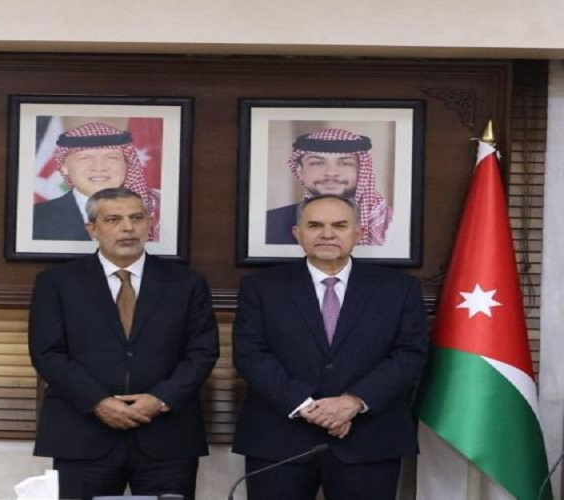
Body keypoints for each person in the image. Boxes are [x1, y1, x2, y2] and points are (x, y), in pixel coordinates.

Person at [234, 194, 428, 500]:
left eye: (339, 225)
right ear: (297, 233)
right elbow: (250, 354)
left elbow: (409, 355)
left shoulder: (398, 288)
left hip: (369, 441)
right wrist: (307, 407)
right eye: (315, 225)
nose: (327, 234)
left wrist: (353, 402)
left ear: (358, 232)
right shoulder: (261, 287)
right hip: (279, 441)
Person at [29, 187, 218, 500]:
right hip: (83, 435)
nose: (128, 228)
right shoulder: (57, 282)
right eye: (114, 219)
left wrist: (160, 399)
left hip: (167, 436)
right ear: (92, 229)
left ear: (149, 224)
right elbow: (48, 354)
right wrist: (98, 402)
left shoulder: (186, 282)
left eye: (136, 218)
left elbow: (203, 352)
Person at [32, 121, 160, 241]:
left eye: (112, 157)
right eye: (84, 158)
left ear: (127, 164)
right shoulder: (35, 218)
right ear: (64, 167)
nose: (99, 167)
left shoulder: (157, 211)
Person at [266, 128, 393, 246]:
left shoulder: (393, 222)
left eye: (345, 163)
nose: (330, 173)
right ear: (300, 171)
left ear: (362, 170)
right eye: (317, 163)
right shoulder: (270, 222)